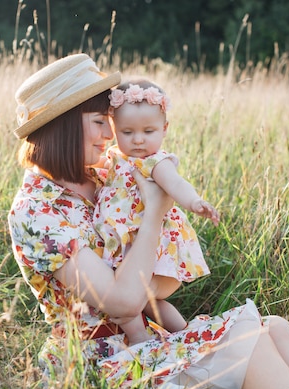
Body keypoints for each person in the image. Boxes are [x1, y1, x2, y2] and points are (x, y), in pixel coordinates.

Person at [7, 53, 289, 389]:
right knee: (247, 339)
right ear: (63, 126)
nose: (110, 134)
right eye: (98, 122)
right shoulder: (38, 210)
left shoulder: (99, 173)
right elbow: (122, 302)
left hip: (144, 342)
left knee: (276, 329)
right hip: (103, 363)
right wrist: (155, 209)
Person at [93, 78, 219, 345]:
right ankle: (185, 333)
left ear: (164, 129)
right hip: (126, 242)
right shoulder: (116, 157)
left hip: (151, 245)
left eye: (148, 131)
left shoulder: (154, 161)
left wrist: (195, 202)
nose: (138, 140)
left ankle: (141, 341)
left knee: (137, 294)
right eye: (127, 132)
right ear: (114, 128)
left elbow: (175, 183)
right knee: (150, 301)